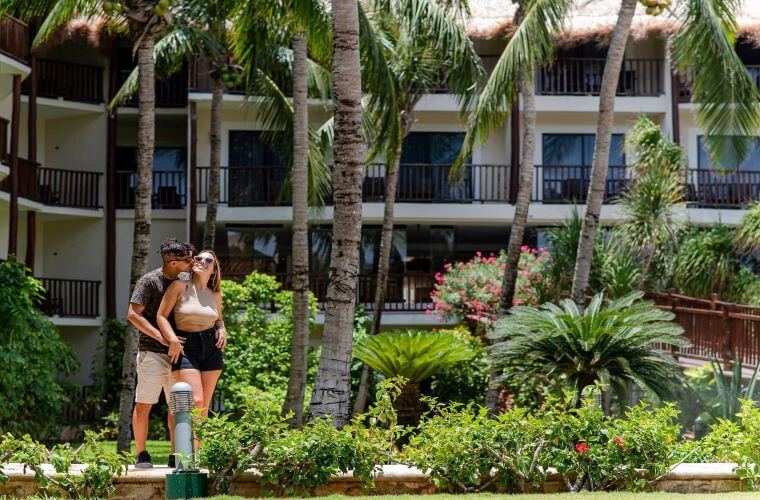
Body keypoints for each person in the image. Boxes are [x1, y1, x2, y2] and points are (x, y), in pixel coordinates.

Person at [127, 238, 195, 468]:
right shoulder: (149, 281)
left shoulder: (187, 281)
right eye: (188, 260)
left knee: (176, 406)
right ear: (174, 262)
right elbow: (133, 315)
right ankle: (142, 454)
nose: (192, 262)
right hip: (153, 353)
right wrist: (162, 337)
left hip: (182, 354)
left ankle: (176, 454)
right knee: (144, 404)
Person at [157, 249, 227, 447]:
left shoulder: (215, 295)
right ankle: (188, 453)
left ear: (214, 270)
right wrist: (172, 339)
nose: (202, 262)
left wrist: (222, 329)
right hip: (186, 346)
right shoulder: (180, 286)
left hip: (211, 348)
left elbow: (219, 320)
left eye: (208, 260)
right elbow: (161, 316)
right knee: (195, 401)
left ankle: (199, 453)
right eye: (198, 258)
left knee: (204, 405)